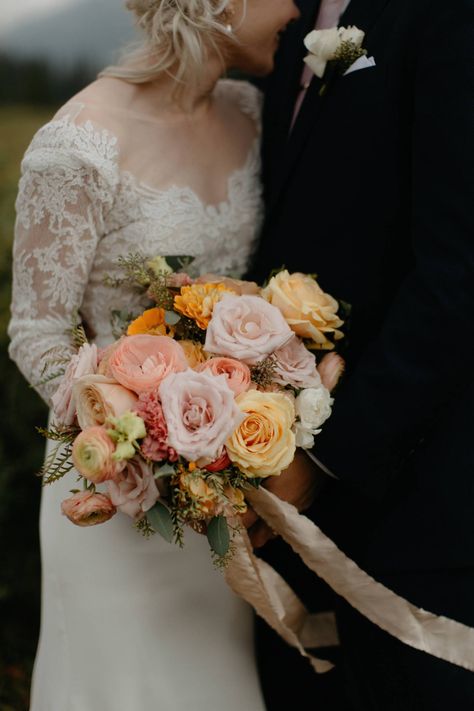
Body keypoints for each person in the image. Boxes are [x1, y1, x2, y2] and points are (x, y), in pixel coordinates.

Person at [8, 1, 301, 709]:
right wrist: (136, 434)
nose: (294, 7)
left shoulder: (249, 113)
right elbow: (35, 330)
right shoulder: (77, 144)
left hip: (223, 492)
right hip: (117, 495)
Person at [249, 0, 474, 708]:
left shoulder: (447, 16)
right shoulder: (286, 23)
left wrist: (321, 456)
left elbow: (457, 272)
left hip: (418, 508)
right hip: (279, 518)